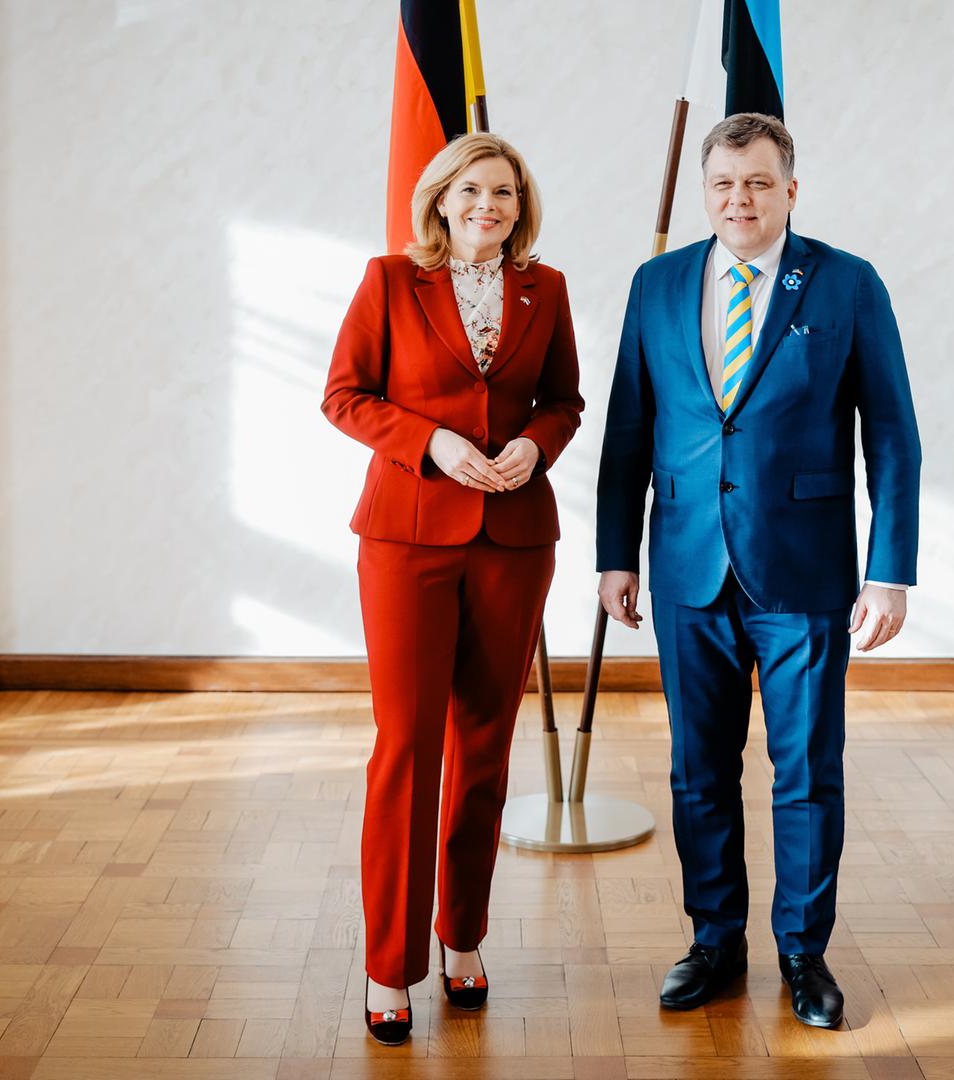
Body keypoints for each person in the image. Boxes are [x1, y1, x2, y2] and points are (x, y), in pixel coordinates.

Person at [595, 112, 921, 1029]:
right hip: (687, 565)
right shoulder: (656, 285)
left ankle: (803, 953)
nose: (740, 200)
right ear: (706, 192)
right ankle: (714, 940)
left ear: (790, 189)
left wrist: (889, 570)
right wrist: (616, 553)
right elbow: (628, 428)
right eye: (723, 185)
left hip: (806, 572)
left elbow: (893, 437)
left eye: (758, 183)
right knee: (698, 769)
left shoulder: (847, 283)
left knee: (806, 768)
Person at [324, 132, 583, 1046]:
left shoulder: (543, 289)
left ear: (522, 205)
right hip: (406, 540)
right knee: (405, 749)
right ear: (439, 198)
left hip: (514, 539)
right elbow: (345, 395)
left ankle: (462, 938)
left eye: (505, 193)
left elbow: (565, 401)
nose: (489, 207)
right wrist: (430, 443)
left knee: (484, 748)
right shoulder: (390, 280)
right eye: (473, 190)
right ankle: (388, 963)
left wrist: (533, 446)